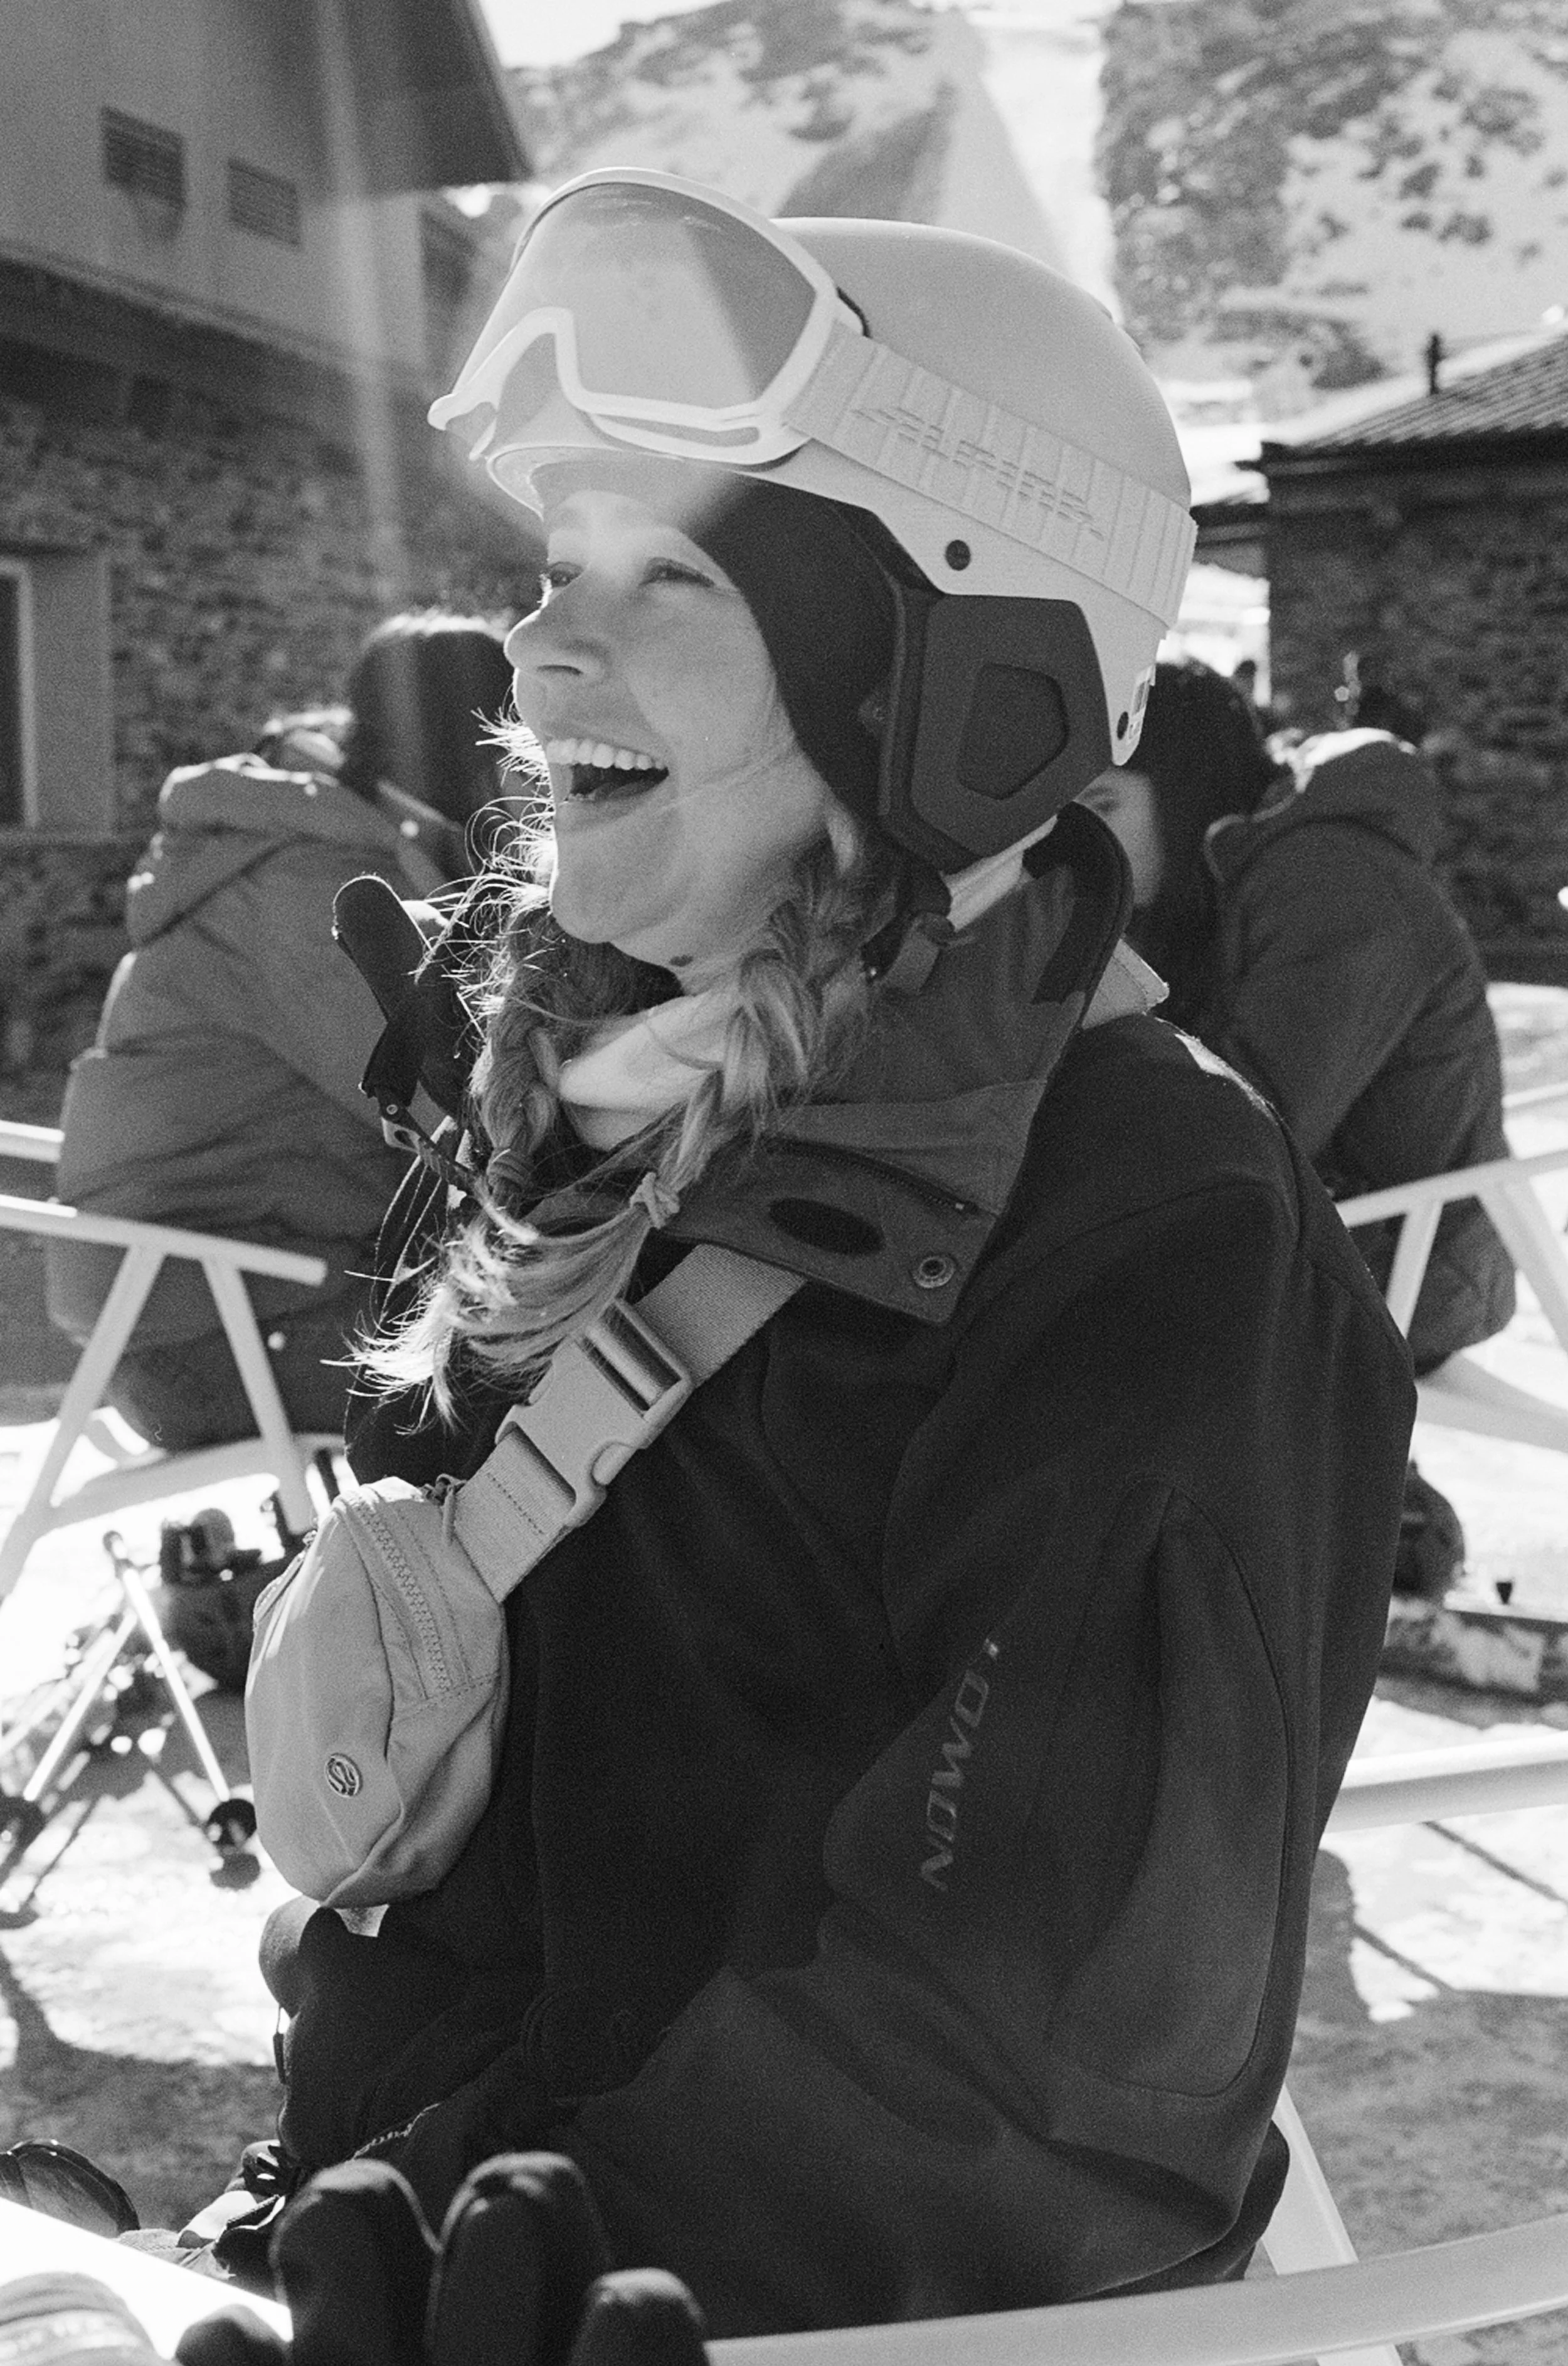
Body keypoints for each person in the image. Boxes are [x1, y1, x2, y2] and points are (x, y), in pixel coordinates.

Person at [248, 174, 1414, 2337]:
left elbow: (1034, 2080)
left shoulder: (1148, 1230)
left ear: (949, 692)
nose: (539, 649)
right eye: (555, 567)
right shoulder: (626, 1108)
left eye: (674, 573)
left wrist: (531, 2267)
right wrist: (341, 2196)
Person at [1080, 657, 1513, 1593]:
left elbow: (1246, 1117)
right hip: (1338, 1231)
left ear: (1185, 789)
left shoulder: (1334, 881)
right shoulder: (1227, 877)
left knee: (1085, 1298)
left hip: (1413, 1262)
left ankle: (1348, 1547)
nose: (1083, 839)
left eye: (1104, 804)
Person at [45, 612, 513, 1451]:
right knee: (564, 1359)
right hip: (215, 1338)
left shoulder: (333, 845)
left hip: (253, 1293)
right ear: (473, 748)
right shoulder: (312, 883)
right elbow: (466, 1109)